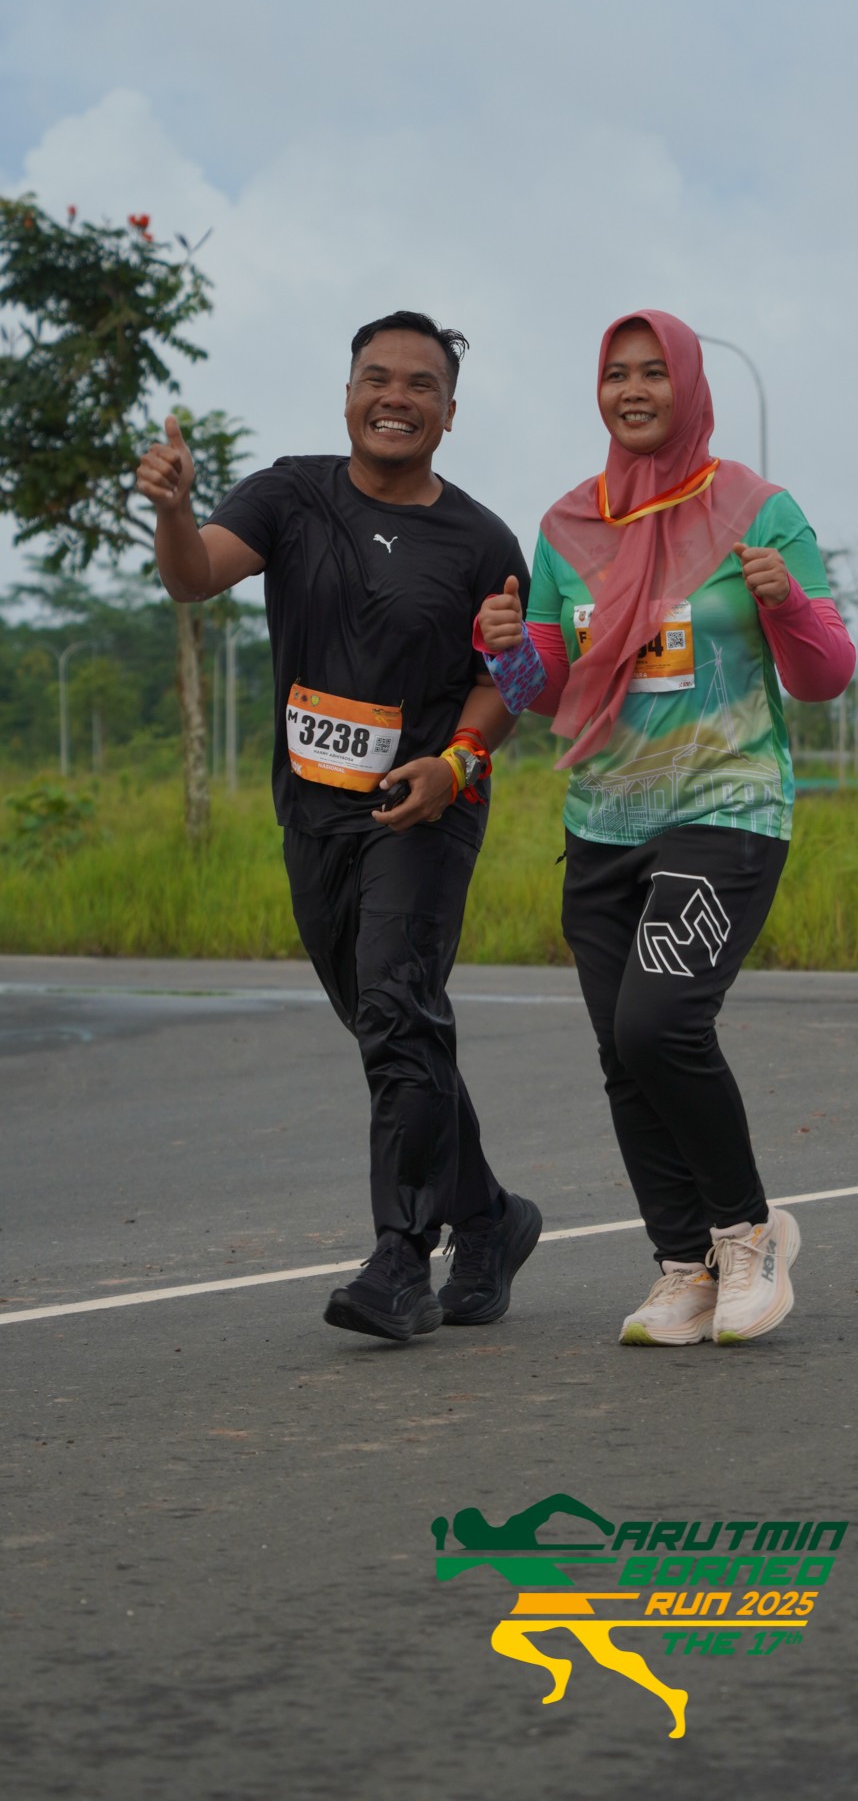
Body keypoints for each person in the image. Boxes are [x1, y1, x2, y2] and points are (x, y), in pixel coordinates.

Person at [137, 310, 541, 1343]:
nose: (395, 397)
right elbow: (192, 575)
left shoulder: (483, 542)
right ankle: (490, 1217)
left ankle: (401, 1257)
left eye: (420, 384)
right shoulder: (289, 495)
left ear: (449, 414)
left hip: (424, 810)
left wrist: (456, 765)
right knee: (390, 1026)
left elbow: (511, 682)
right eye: (377, 378)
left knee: (399, 1012)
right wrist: (175, 511)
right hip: (313, 813)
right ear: (349, 394)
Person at [476, 310, 854, 1346]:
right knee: (620, 1049)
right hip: (603, 818)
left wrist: (788, 605)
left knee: (659, 1024)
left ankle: (747, 1233)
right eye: (615, 374)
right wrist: (503, 647)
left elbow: (824, 674)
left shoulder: (759, 511)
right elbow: (546, 690)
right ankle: (683, 1264)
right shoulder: (568, 526)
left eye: (653, 372)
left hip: (725, 806)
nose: (633, 390)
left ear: (688, 385)